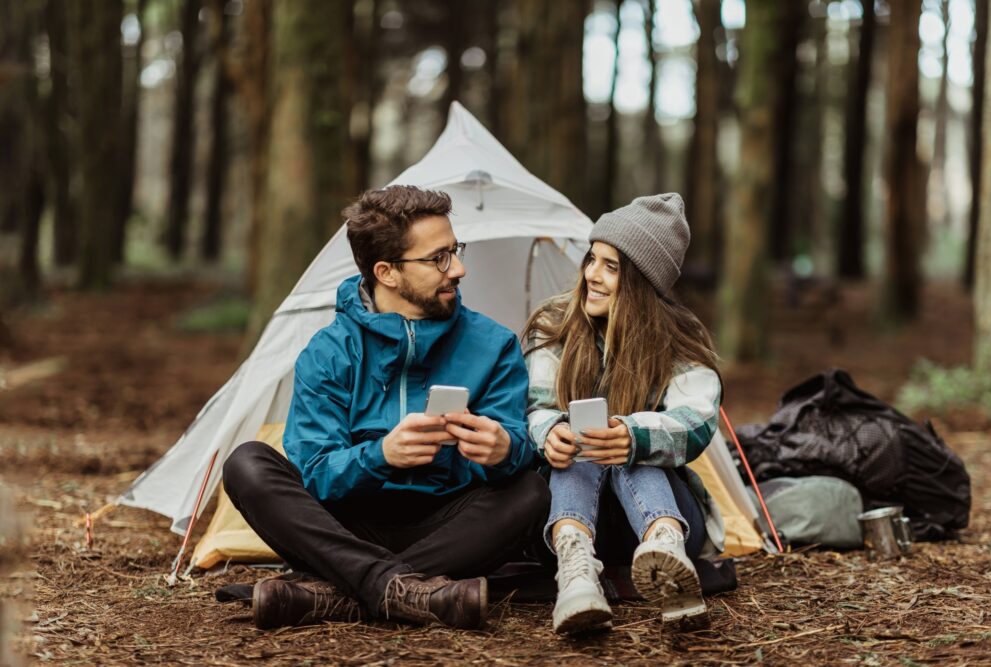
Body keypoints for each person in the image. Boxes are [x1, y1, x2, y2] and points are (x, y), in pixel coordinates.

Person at [223, 186, 549, 631]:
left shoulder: (494, 346)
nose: (458, 268)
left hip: (448, 525)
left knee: (530, 490)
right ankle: (406, 589)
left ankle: (338, 593)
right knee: (246, 464)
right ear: (387, 272)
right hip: (347, 525)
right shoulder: (329, 353)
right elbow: (316, 471)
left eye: (455, 251)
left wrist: (505, 450)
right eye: (439, 258)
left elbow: (516, 453)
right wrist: (380, 456)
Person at [522, 193, 725, 634]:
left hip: (659, 514)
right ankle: (576, 572)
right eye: (591, 259)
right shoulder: (555, 325)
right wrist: (549, 432)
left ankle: (667, 552)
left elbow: (698, 418)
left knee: (627, 446)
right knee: (584, 442)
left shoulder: (678, 341)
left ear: (640, 281)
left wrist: (633, 436)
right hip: (567, 516)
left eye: (610, 267)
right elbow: (535, 406)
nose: (591, 275)